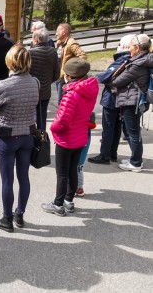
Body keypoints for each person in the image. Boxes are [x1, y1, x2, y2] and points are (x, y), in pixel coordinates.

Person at [0, 45, 39, 232]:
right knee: (23, 177)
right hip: (27, 133)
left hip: (8, 135)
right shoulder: (35, 82)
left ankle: (7, 219)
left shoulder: (3, 85)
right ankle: (20, 215)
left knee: (7, 179)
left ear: (11, 62)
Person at [41, 58, 98, 216]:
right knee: (73, 169)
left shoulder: (71, 95)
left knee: (62, 173)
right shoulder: (90, 90)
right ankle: (69, 200)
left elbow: (62, 122)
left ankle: (58, 204)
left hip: (66, 139)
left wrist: (52, 127)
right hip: (80, 135)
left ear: (70, 75)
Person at [88, 34, 134, 165]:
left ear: (125, 46)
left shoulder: (123, 59)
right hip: (120, 97)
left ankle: (105, 155)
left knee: (108, 127)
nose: (118, 46)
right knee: (116, 127)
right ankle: (112, 153)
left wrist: (95, 76)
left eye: (120, 44)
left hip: (112, 97)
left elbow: (107, 77)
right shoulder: (131, 59)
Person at [111, 34, 152, 173]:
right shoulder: (145, 60)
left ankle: (136, 162)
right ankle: (135, 159)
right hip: (138, 100)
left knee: (133, 132)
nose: (129, 49)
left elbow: (116, 81)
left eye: (131, 47)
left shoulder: (137, 64)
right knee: (133, 131)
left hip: (132, 101)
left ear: (138, 48)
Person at [29, 28, 60, 130]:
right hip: (46, 90)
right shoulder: (53, 52)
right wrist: (47, 82)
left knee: (29, 117)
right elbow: (57, 73)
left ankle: (32, 140)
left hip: (31, 90)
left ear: (36, 39)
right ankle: (42, 140)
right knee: (42, 117)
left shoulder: (30, 53)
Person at [55, 23, 87, 103]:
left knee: (62, 102)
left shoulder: (71, 43)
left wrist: (72, 73)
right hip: (59, 77)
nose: (56, 34)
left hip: (65, 78)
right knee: (61, 101)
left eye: (57, 31)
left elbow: (82, 56)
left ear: (64, 32)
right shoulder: (59, 42)